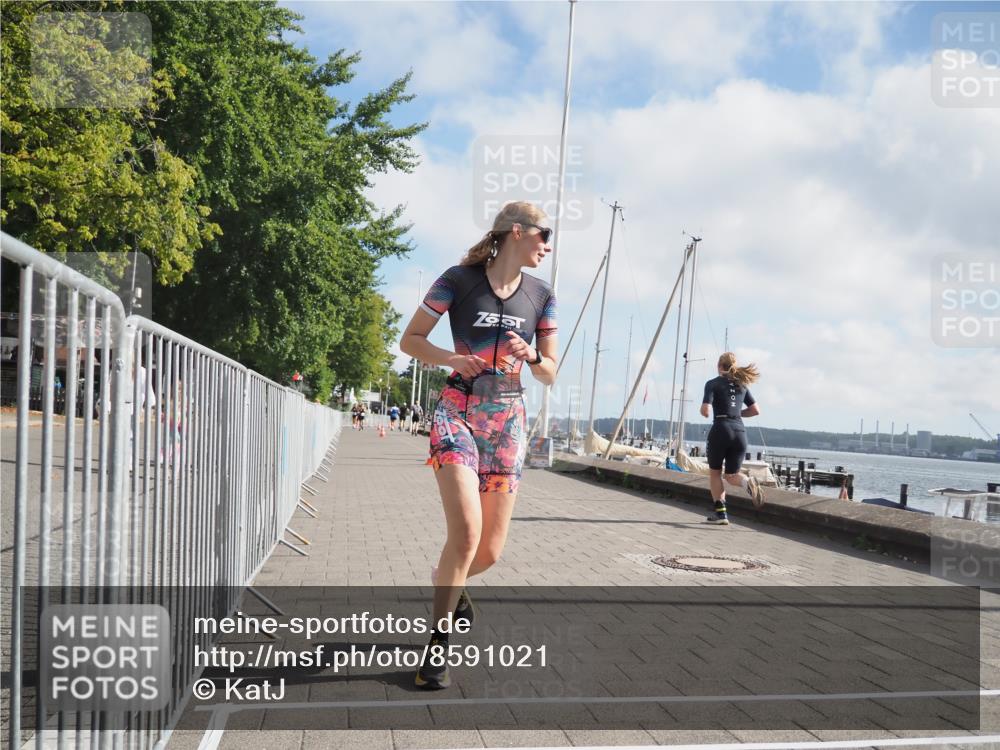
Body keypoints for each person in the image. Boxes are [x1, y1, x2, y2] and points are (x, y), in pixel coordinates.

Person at [399, 201, 558, 689]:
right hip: (457, 410)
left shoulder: (542, 294)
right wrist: (451, 356)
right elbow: (411, 340)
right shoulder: (458, 279)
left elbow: (550, 371)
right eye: (543, 234)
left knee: (486, 552)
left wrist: (533, 354)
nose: (547, 246)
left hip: (508, 419)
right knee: (466, 535)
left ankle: (451, 580)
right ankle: (437, 646)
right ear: (517, 231)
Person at [700, 352, 764, 525]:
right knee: (732, 475)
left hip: (721, 429)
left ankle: (721, 515)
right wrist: (736, 413)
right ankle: (747, 482)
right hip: (739, 432)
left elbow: (705, 410)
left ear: (719, 366)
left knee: (715, 473)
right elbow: (756, 410)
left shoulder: (712, 384)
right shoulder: (742, 385)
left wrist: (705, 411)